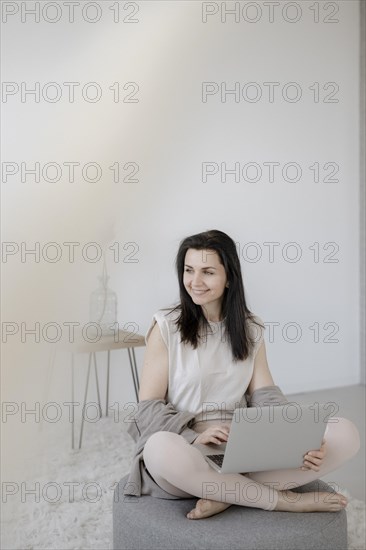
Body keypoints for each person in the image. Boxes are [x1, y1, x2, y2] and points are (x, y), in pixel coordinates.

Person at [138, 229, 360, 519]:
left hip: (244, 450)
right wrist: (194, 435)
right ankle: (283, 501)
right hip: (188, 447)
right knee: (159, 448)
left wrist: (299, 439)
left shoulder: (251, 327)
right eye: (189, 270)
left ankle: (228, 493)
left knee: (344, 433)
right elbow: (149, 408)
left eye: (207, 272)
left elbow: (265, 395)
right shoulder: (166, 326)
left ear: (229, 277)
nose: (195, 281)